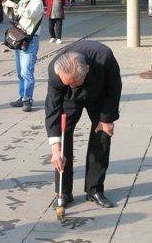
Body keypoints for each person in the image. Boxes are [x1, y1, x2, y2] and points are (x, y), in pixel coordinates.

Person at [45, 40, 122, 209]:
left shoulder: (105, 57)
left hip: (99, 94)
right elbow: (53, 109)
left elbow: (114, 88)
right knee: (63, 138)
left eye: (74, 82)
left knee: (102, 135)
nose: (71, 86)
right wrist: (55, 149)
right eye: (67, 83)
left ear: (86, 69)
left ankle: (95, 189)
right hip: (69, 100)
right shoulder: (57, 71)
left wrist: (107, 119)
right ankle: (63, 192)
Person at [2, 0, 44, 112]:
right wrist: (5, 5)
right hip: (19, 38)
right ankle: (22, 96)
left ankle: (28, 99)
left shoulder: (37, 2)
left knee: (27, 71)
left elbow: (29, 14)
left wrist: (14, 4)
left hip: (30, 40)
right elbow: (13, 17)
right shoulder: (23, 1)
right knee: (20, 71)